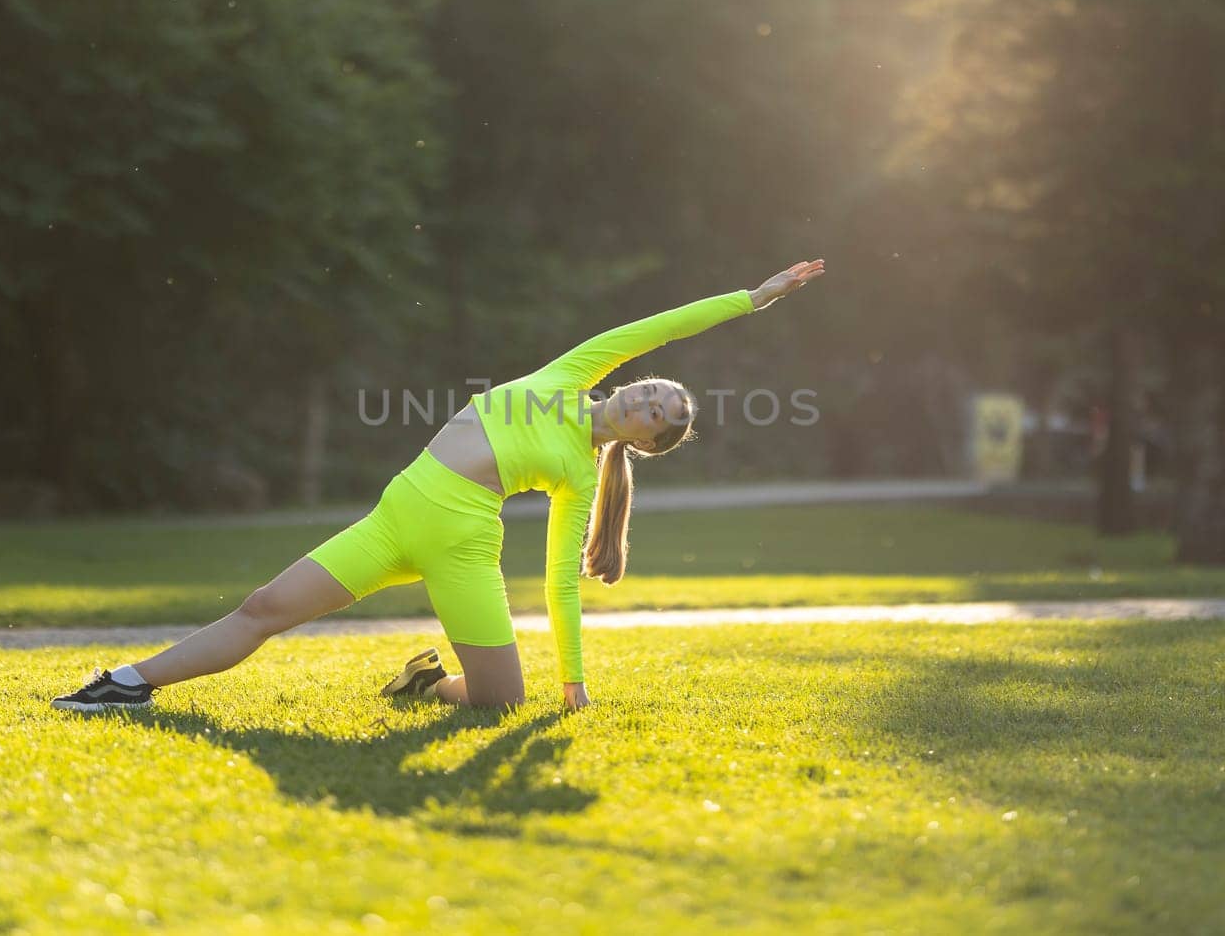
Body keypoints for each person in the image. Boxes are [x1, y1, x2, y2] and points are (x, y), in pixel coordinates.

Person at [51, 259, 826, 714]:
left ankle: (424, 686)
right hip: (396, 516)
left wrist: (575, 678)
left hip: (461, 545)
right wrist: (754, 298)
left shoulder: (578, 476)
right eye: (653, 391)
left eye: (658, 416)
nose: (647, 400)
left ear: (644, 443)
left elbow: (560, 580)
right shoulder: (571, 372)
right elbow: (664, 324)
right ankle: (124, 683)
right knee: (263, 610)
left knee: (501, 698)